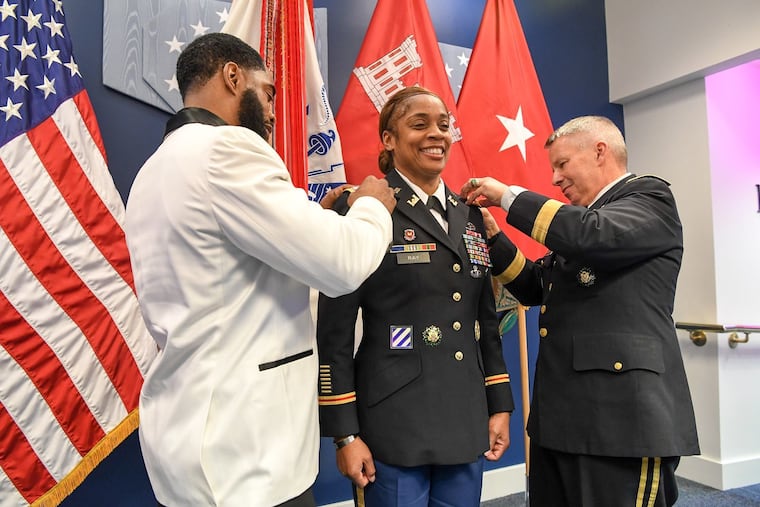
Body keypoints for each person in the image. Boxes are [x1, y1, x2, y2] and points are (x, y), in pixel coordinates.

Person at [124, 33, 396, 507]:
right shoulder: (226, 150)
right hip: (246, 453)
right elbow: (344, 264)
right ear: (233, 77)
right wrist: (372, 208)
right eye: (268, 92)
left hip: (193, 434)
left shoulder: (154, 170)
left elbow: (233, 277)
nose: (273, 111)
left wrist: (324, 224)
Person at [461, 115, 700, 506]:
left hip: (623, 421)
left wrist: (509, 197)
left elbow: (591, 236)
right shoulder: (587, 221)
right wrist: (494, 238)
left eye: (562, 164)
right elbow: (535, 286)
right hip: (562, 418)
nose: (555, 178)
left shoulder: (648, 199)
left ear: (599, 151)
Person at [316, 86, 514, 507]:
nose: (436, 135)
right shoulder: (365, 208)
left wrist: (499, 404)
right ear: (388, 138)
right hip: (392, 425)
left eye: (443, 125)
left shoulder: (470, 216)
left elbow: (485, 322)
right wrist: (345, 434)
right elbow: (333, 334)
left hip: (464, 417)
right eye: (419, 124)